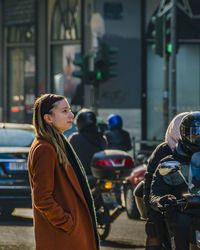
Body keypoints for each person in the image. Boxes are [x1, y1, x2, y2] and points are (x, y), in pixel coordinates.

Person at [28, 94, 99, 250]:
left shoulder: (56, 142)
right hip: (62, 237)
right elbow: (42, 198)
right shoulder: (45, 148)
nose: (71, 115)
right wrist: (68, 223)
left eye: (70, 110)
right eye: (65, 111)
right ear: (48, 118)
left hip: (68, 236)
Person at [150, 111, 200, 250]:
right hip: (182, 210)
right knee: (180, 222)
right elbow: (156, 191)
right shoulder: (169, 162)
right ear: (184, 134)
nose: (198, 136)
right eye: (195, 133)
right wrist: (162, 200)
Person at [144, 112, 188, 250]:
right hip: (170, 202)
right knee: (154, 230)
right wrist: (155, 208)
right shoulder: (163, 151)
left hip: (195, 201)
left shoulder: (196, 149)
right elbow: (150, 181)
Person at [68, 108, 107, 176]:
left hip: (79, 177)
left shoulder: (74, 138)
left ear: (79, 123)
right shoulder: (102, 138)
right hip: (99, 176)